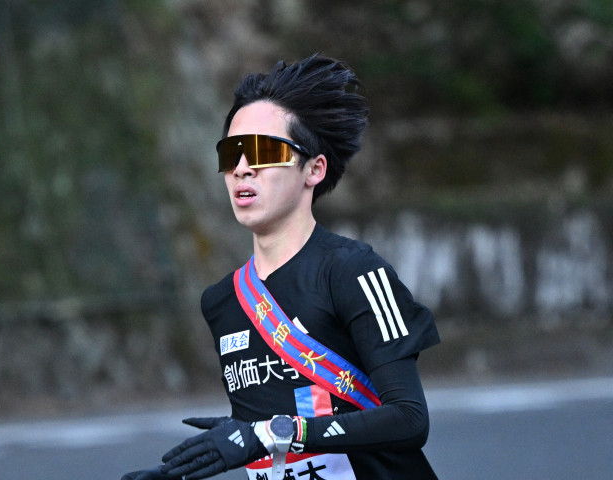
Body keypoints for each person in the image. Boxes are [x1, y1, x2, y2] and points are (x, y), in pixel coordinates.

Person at [122, 53, 440, 480]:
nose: (242, 169)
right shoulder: (221, 301)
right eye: (230, 153)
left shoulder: (354, 271)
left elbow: (409, 419)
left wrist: (274, 433)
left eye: (264, 151)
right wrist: (209, 454)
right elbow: (267, 439)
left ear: (314, 169)